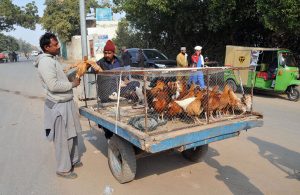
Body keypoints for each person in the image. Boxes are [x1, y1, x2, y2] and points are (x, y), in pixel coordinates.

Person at [36, 32, 82, 179]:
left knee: (72, 134)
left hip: (66, 103)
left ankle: (73, 160)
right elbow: (53, 85)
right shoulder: (45, 62)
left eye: (57, 44)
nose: (58, 47)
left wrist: (73, 74)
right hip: (59, 106)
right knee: (63, 138)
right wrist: (72, 84)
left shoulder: (53, 60)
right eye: (55, 45)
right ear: (46, 47)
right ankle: (63, 169)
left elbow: (59, 77)